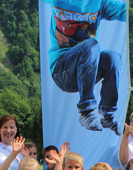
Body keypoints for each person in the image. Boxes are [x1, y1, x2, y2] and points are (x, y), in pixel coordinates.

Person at [42, 0, 126, 133]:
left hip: (86, 71)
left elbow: (126, 11)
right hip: (62, 70)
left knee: (113, 57)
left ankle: (108, 114)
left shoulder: (99, 3)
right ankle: (86, 111)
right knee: (91, 45)